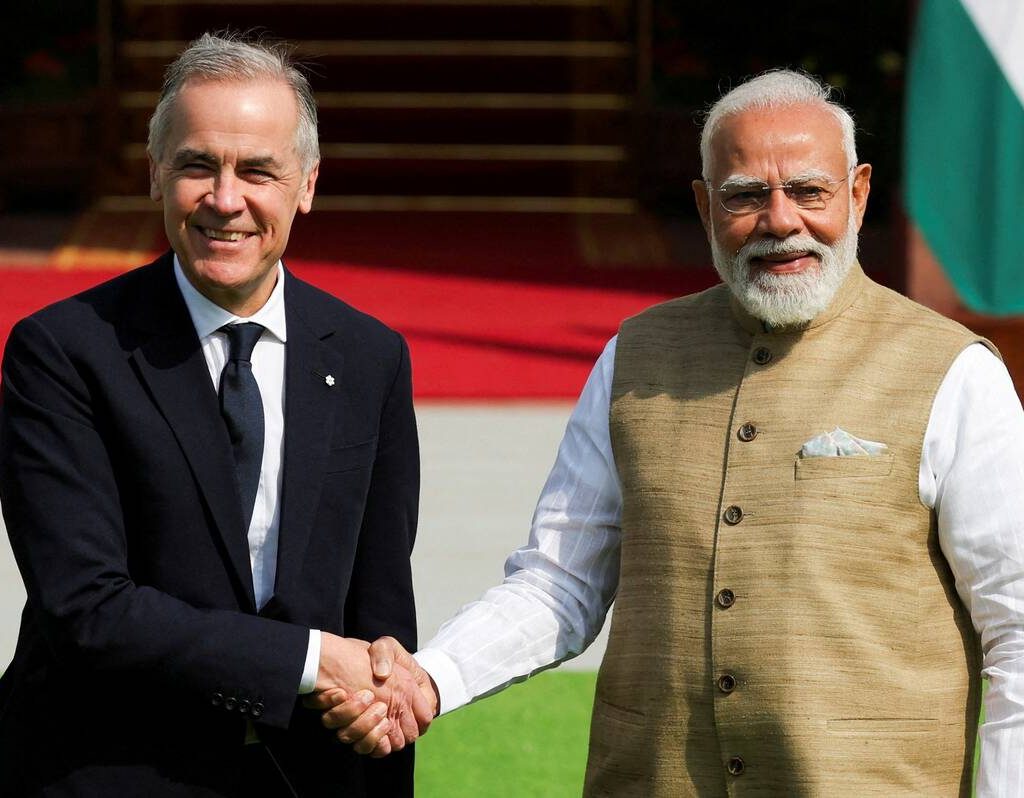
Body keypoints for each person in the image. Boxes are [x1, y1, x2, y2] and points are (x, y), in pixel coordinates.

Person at [319, 70, 1024, 796]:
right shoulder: (637, 355)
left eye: (809, 191)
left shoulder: (954, 375)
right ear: (703, 205)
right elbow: (560, 582)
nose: (780, 220)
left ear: (859, 192)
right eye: (745, 195)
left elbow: (1018, 630)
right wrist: (431, 678)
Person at [0, 32, 434, 797]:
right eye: (198, 165)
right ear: (155, 175)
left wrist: (383, 686)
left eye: (258, 171)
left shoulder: (372, 357)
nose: (225, 199)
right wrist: (308, 662)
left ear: (306, 185)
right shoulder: (62, 353)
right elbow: (88, 608)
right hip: (111, 764)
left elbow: (380, 600)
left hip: (316, 771)